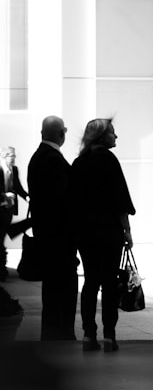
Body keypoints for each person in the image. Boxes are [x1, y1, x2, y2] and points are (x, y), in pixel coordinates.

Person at [70, 119, 135, 353]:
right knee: (109, 283)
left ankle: (89, 334)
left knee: (90, 282)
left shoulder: (79, 162)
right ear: (102, 137)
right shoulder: (109, 160)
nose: (116, 137)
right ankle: (109, 336)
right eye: (113, 133)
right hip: (109, 231)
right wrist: (127, 230)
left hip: (85, 233)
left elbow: (72, 201)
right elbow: (120, 200)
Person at [27, 116, 78, 340]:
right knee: (63, 289)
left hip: (46, 237)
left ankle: (52, 334)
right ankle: (62, 334)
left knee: (51, 291)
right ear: (62, 133)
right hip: (59, 240)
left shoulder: (38, 157)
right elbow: (62, 200)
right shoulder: (52, 160)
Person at [0, 146, 29, 280]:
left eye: (14, 156)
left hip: (8, 210)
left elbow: (18, 187)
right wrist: (4, 196)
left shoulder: (14, 170)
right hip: (0, 206)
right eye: (11, 156)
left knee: (3, 235)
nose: (13, 159)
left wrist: (27, 197)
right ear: (4, 156)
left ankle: (2, 267)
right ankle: (1, 268)